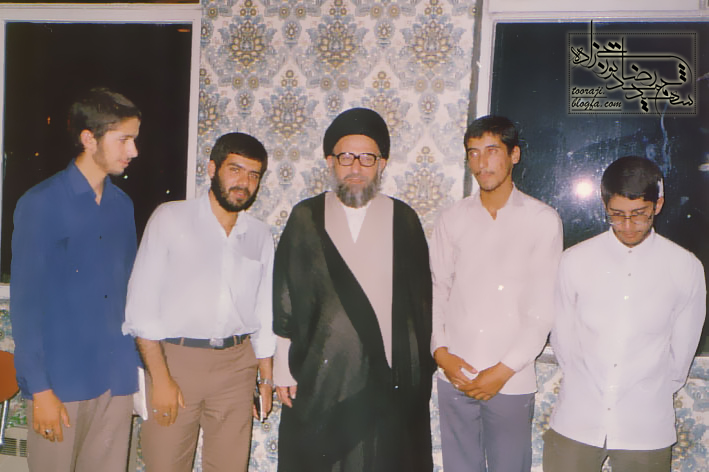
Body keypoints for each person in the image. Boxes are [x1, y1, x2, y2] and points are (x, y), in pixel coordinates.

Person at [273, 107, 435, 472]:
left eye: (367, 158)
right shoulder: (305, 217)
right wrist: (282, 368)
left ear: (382, 164)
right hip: (321, 377)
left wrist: (412, 380)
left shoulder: (403, 219)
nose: (356, 167)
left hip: (384, 378)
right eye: (346, 157)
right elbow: (285, 296)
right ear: (330, 161)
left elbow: (421, 306)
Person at [122, 132, 275, 472]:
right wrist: (160, 378)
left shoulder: (260, 235)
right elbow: (141, 306)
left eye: (253, 175)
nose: (244, 183)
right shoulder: (170, 218)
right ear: (212, 168)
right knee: (165, 465)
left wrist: (265, 379)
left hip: (237, 366)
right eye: (235, 170)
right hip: (176, 361)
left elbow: (265, 310)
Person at [544, 156, 706, 472]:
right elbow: (563, 341)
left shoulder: (685, 268)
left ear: (658, 205)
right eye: (616, 215)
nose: (628, 226)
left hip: (645, 427)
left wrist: (645, 392)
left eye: (639, 214)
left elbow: (681, 357)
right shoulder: (575, 260)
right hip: (577, 420)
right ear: (604, 205)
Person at [10, 87, 142, 472]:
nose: (134, 151)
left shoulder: (122, 206)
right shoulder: (40, 203)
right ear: (89, 139)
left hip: (115, 381)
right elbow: (26, 307)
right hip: (61, 382)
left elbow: (127, 293)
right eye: (124, 140)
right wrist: (40, 390)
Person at [429, 115, 563, 472]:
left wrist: (503, 371)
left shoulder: (541, 220)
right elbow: (438, 290)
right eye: (473, 153)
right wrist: (441, 354)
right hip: (454, 375)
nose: (481, 162)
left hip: (511, 378)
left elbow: (542, 310)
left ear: (513, 155)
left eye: (491, 151)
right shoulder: (452, 218)